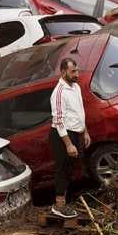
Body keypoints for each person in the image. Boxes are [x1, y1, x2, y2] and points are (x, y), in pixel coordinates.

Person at [48, 57, 90, 219]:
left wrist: (85, 131)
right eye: (73, 72)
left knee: (72, 169)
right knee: (62, 170)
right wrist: (68, 144)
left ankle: (65, 201)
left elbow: (80, 111)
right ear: (63, 71)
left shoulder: (76, 87)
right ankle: (58, 206)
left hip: (75, 133)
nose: (76, 74)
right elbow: (58, 121)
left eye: (77, 71)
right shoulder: (59, 93)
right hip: (62, 136)